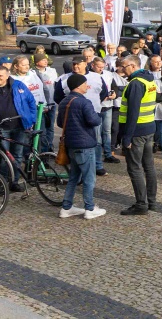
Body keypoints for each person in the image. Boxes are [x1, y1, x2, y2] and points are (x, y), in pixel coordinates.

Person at [0, 66, 38, 191]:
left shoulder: (18, 86)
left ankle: (14, 182)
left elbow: (31, 102)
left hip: (20, 127)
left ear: (7, 75)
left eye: (0, 76)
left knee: (18, 156)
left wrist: (31, 120)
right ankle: (2, 183)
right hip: (0, 129)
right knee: (4, 158)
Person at [57, 73, 106, 220]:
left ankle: (66, 208)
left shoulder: (64, 101)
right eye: (85, 83)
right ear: (79, 86)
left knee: (73, 177)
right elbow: (93, 120)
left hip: (71, 145)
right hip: (85, 145)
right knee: (89, 178)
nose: (87, 86)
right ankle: (89, 209)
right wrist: (99, 117)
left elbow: (60, 123)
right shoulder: (84, 102)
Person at [116, 55, 158, 215]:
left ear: (133, 66)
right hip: (148, 128)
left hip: (137, 132)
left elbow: (132, 112)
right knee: (149, 166)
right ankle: (151, 202)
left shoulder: (136, 84)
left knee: (135, 168)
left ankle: (141, 204)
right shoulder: (149, 80)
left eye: (124, 66)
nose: (121, 69)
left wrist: (126, 138)